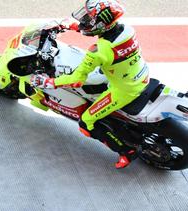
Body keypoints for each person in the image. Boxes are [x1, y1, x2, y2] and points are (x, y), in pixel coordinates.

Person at [30, 0, 149, 169]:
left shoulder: (98, 51)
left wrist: (48, 81)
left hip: (124, 89)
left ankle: (126, 151)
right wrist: (73, 26)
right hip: (140, 73)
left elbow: (76, 80)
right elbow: (97, 31)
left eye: (88, 18)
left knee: (86, 123)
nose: (84, 20)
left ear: (101, 24)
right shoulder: (126, 29)